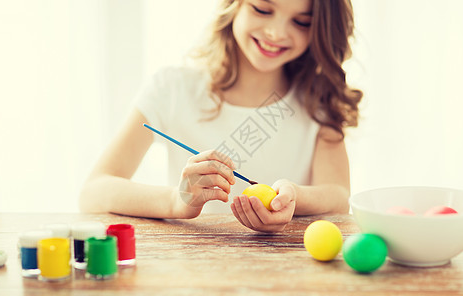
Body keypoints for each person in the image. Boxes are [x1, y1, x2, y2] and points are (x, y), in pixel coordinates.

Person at [79, 0, 362, 233]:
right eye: (262, 9)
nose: (276, 32)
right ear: (233, 5)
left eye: (301, 22)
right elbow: (93, 191)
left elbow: (339, 197)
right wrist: (177, 201)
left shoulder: (319, 101)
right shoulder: (172, 89)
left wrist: (294, 197)